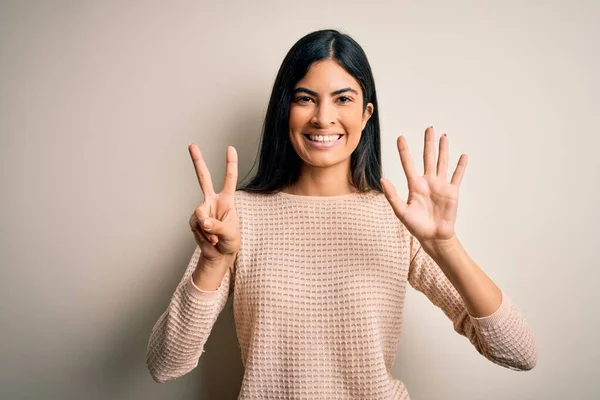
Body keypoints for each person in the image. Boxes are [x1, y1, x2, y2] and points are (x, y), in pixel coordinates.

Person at [146, 29, 537, 399]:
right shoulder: (237, 218)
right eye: (305, 98)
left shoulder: (398, 218)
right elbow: (165, 365)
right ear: (286, 110)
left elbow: (519, 352)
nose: (323, 117)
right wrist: (214, 262)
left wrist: (444, 245)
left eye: (343, 99)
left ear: (367, 114)